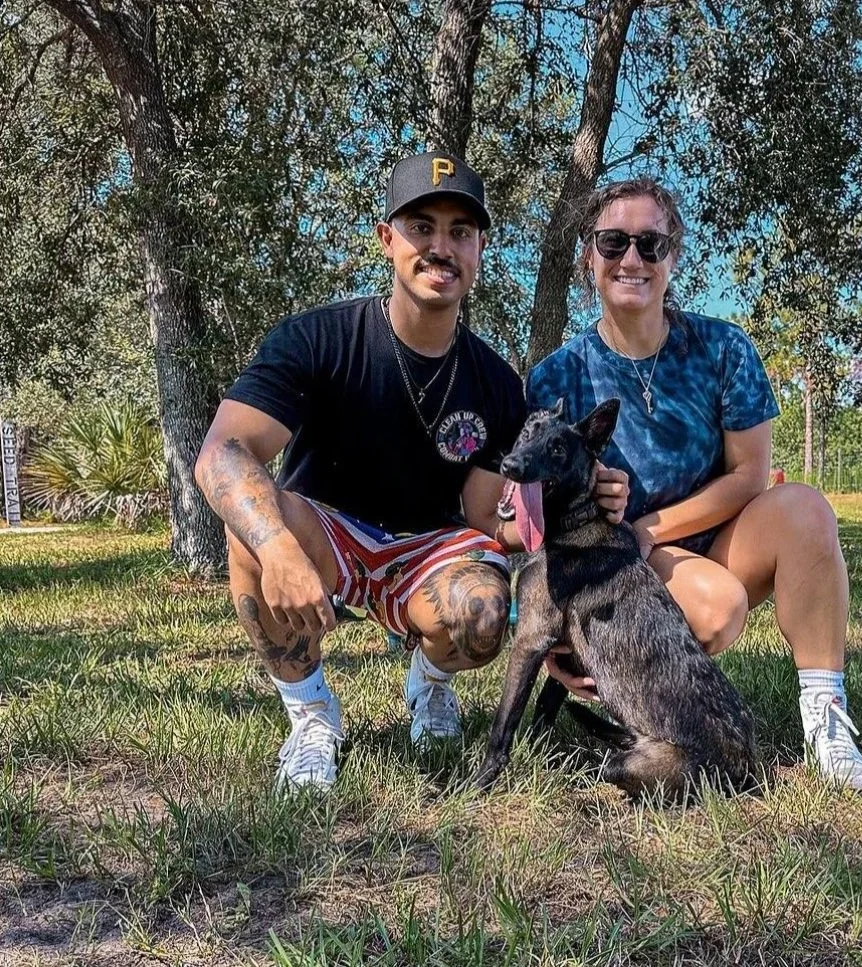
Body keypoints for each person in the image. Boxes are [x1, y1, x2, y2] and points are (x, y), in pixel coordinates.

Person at [195, 151, 627, 791]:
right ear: (387, 239)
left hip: (427, 547)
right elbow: (222, 452)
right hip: (325, 532)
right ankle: (311, 716)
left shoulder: (495, 381)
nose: (440, 248)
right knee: (251, 522)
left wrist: (582, 498)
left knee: (483, 609)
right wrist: (279, 546)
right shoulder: (316, 338)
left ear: (479, 249)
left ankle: (430, 684)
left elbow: (484, 518)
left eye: (460, 231)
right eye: (421, 227)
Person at [526, 177, 862, 790]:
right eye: (612, 242)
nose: (631, 259)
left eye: (650, 244)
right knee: (716, 610)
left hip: (705, 539)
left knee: (806, 509)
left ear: (673, 257)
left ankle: (826, 719)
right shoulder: (558, 375)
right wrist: (551, 630)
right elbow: (533, 517)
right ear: (588, 256)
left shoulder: (722, 348)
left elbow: (750, 475)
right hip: (617, 570)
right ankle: (648, 717)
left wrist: (647, 527)